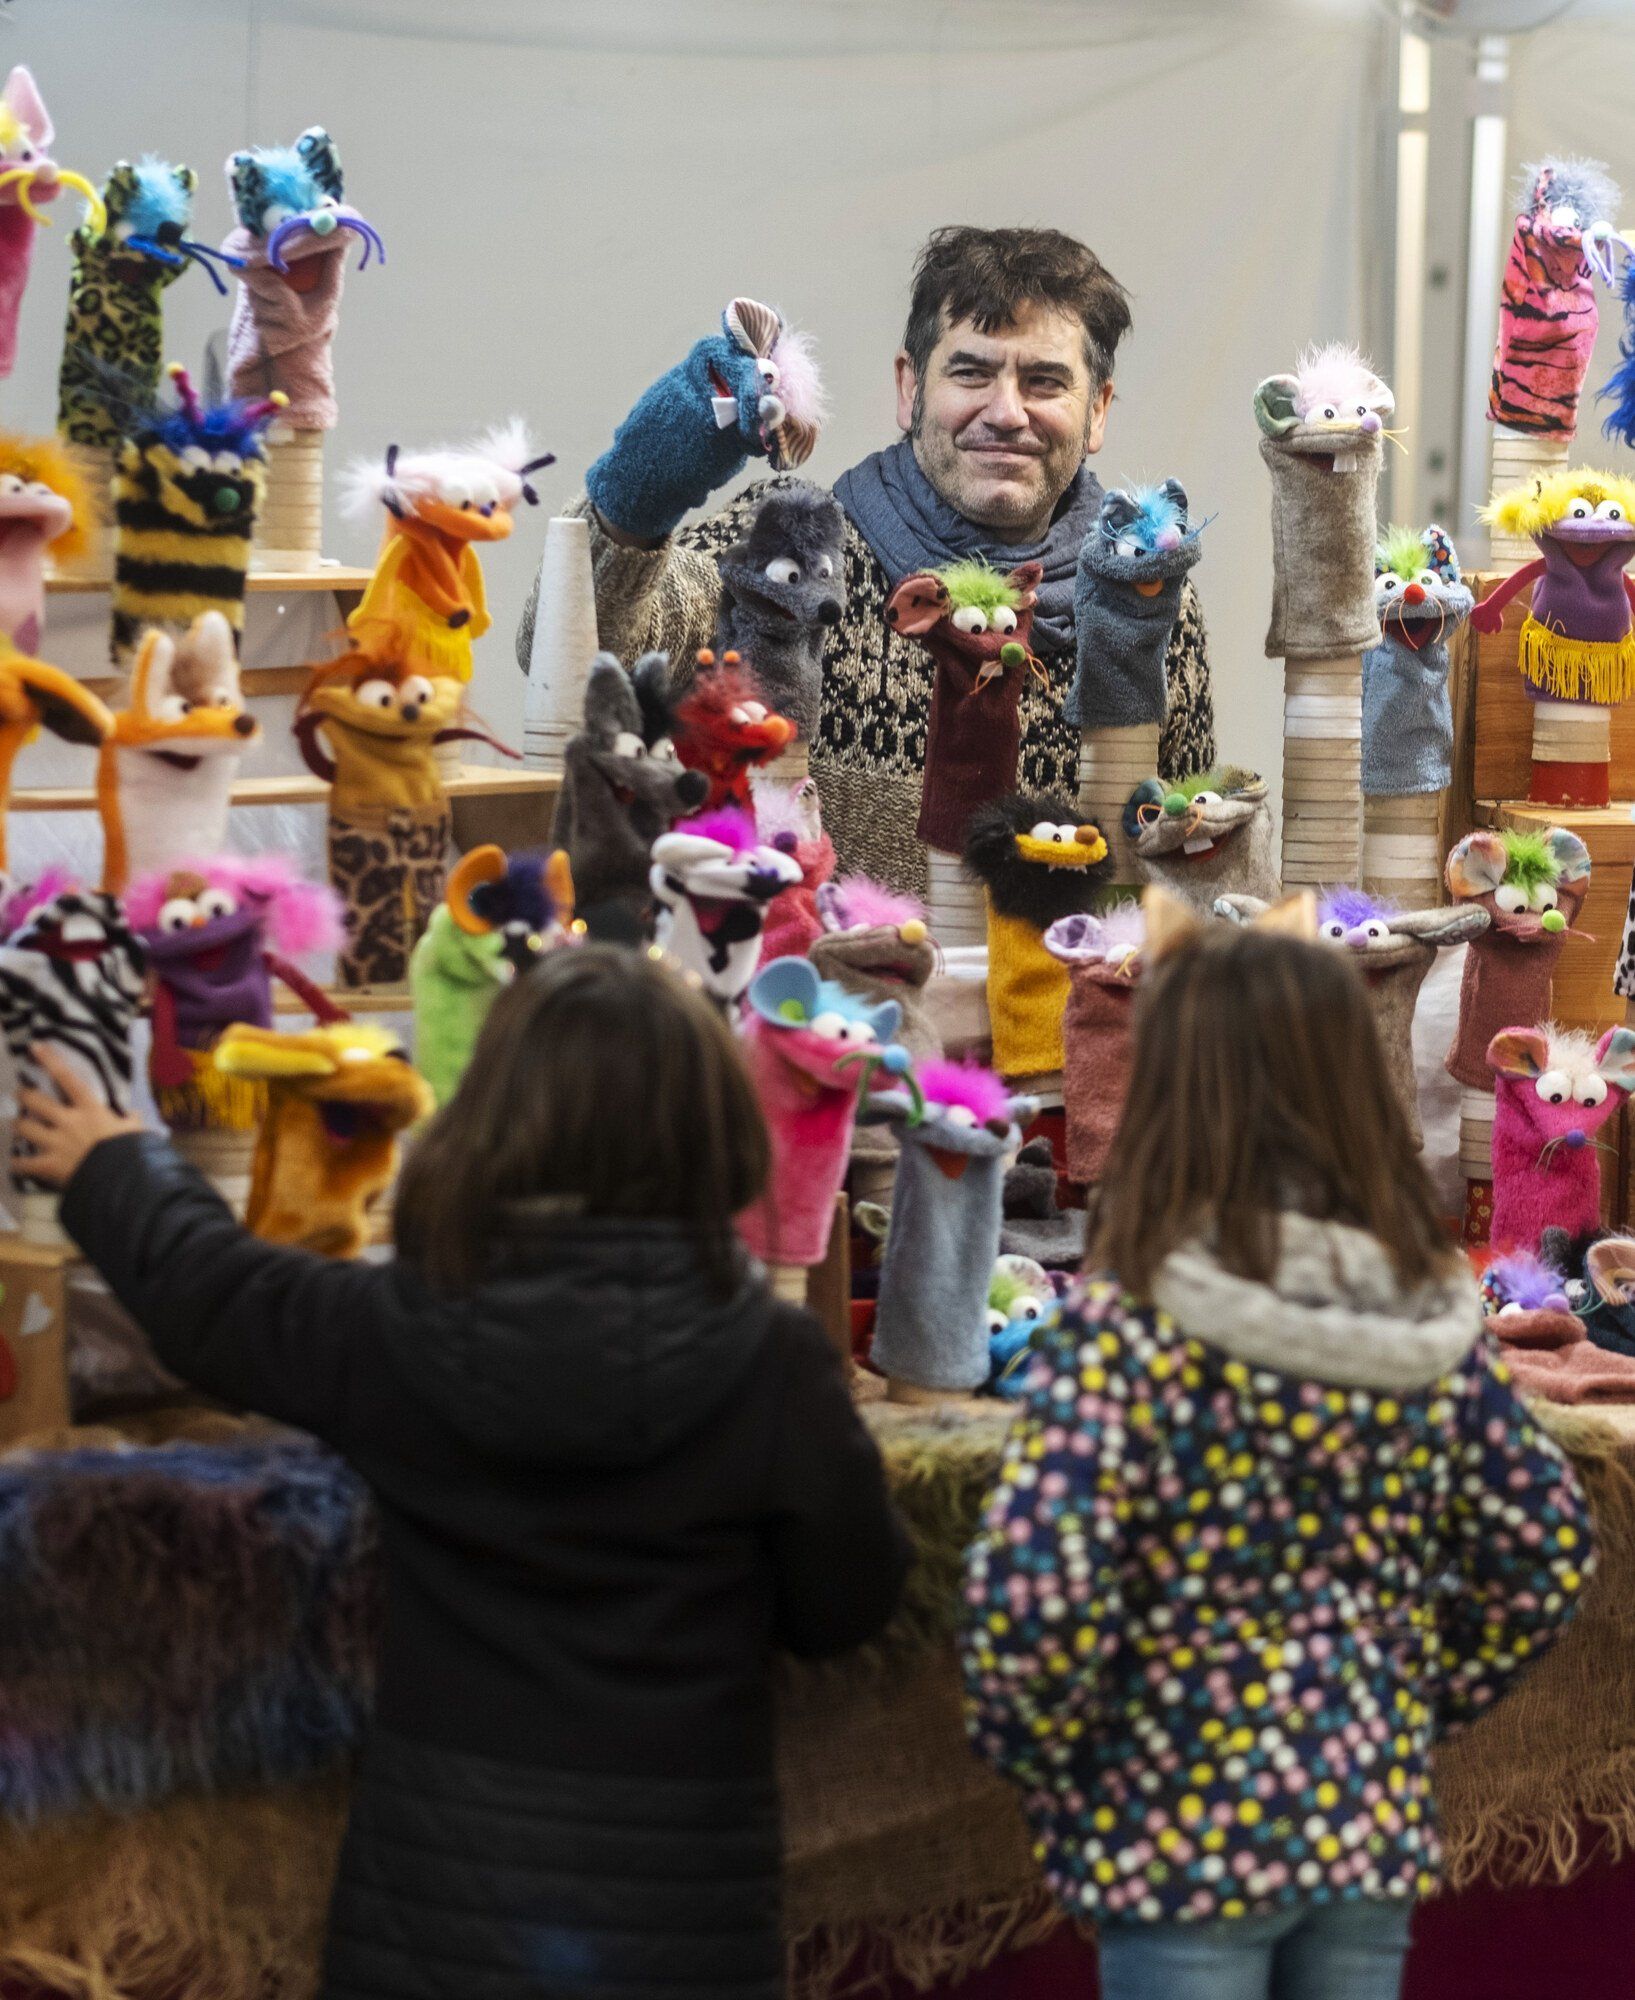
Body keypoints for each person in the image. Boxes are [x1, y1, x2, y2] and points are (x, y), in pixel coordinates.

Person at [19, 946, 911, 2000]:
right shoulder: (771, 1360)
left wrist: (119, 1164)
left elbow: (217, 1296)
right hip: (680, 1920)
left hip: (435, 1916)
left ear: (491, 1119)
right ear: (713, 1130)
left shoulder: (407, 1330)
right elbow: (848, 1601)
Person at [958, 906, 1593, 2000]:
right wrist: (1402, 1698)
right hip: (1363, 1825)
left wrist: (1062, 1758)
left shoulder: (1126, 1332)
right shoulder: (1427, 1325)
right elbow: (1543, 1550)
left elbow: (1036, 1596)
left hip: (1171, 1833)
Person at [518, 226, 1215, 897]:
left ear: (1098, 410)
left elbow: (1181, 865)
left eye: (1043, 382)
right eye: (970, 372)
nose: (1006, 412)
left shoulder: (1148, 600)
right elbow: (582, 650)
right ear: (909, 389)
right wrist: (637, 493)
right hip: (804, 976)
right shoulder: (793, 545)